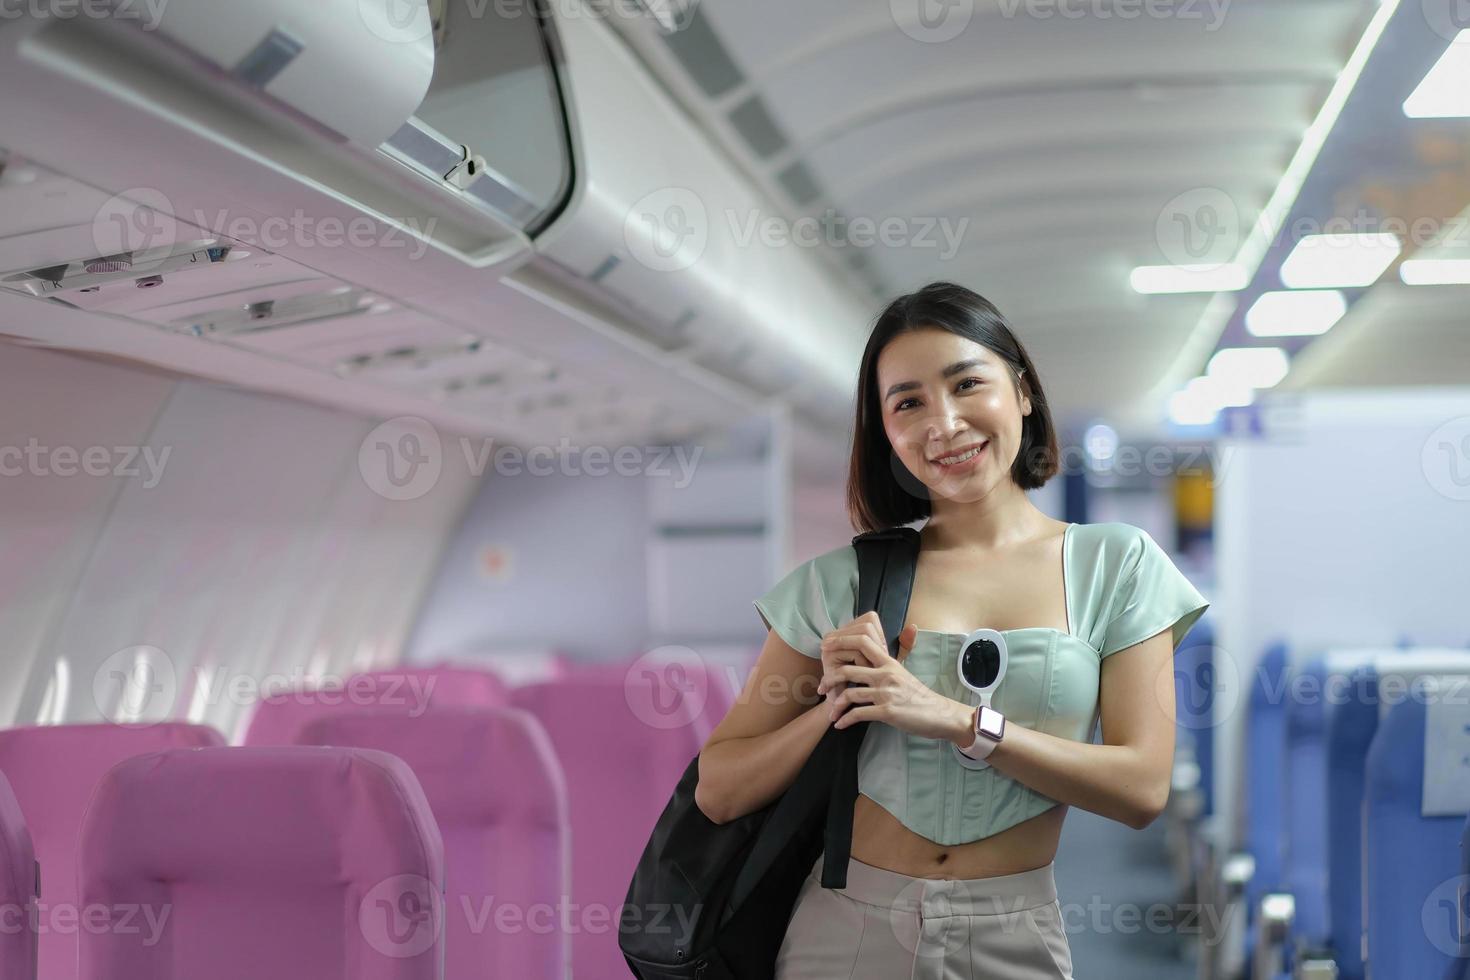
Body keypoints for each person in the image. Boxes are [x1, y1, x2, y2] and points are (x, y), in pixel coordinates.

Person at [694, 281, 1210, 979]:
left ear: (1022, 391)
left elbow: (1142, 788)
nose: (943, 423)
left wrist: (958, 721)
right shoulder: (841, 582)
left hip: (1013, 933)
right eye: (908, 403)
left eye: (967, 384)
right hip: (844, 935)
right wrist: (833, 709)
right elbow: (719, 788)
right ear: (886, 432)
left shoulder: (1116, 566)